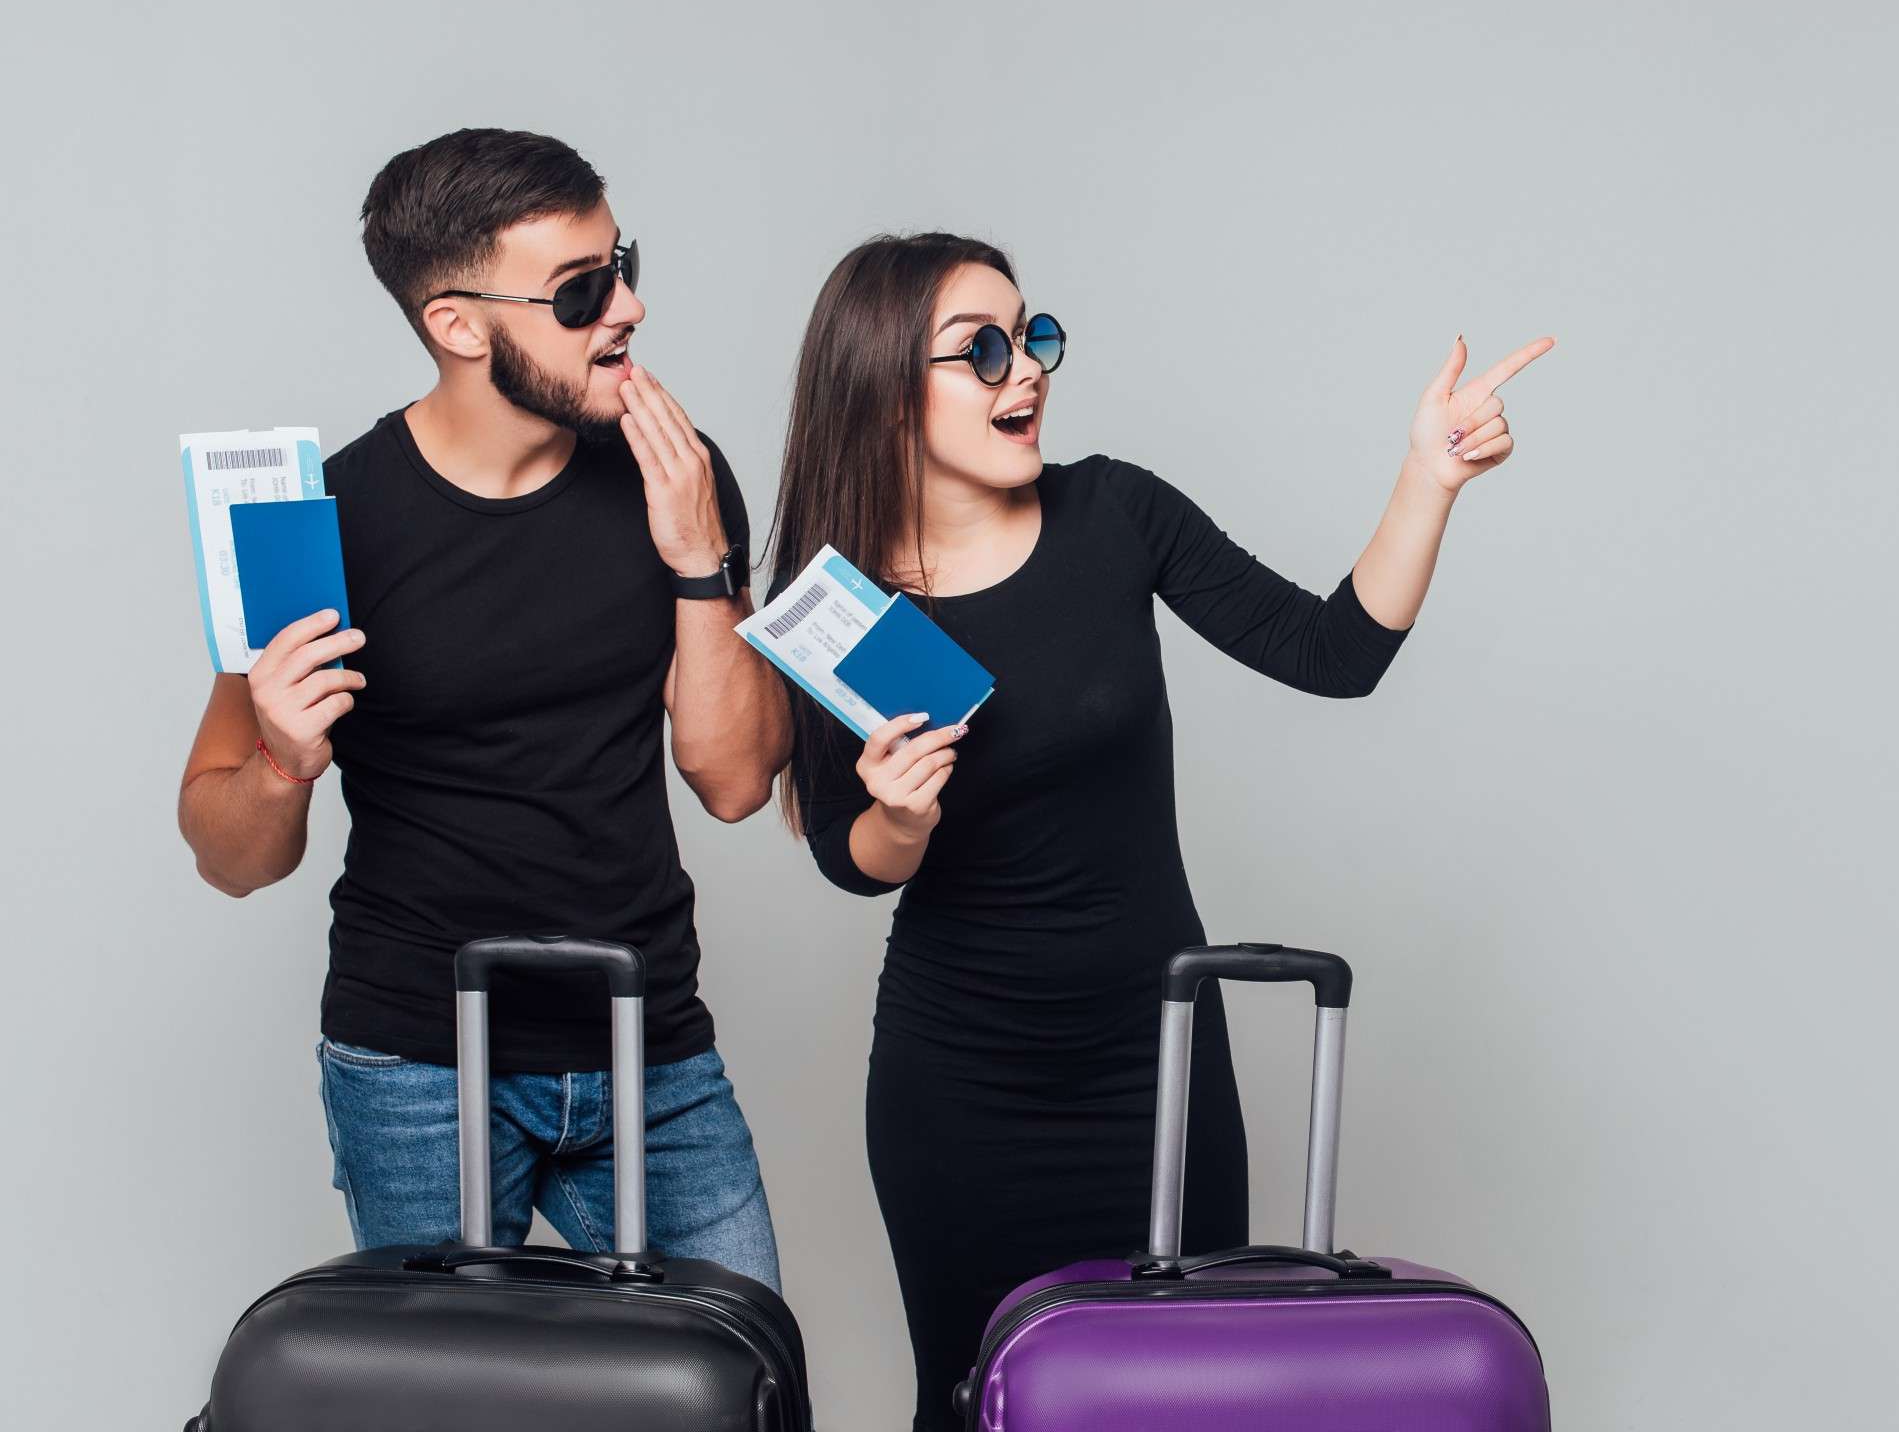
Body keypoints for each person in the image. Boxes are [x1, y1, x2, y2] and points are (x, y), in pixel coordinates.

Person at [762, 231, 1549, 1421]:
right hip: (960, 1081)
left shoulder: (1113, 511)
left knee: (1185, 1397)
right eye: (979, 350)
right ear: (881, 392)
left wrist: (1427, 480)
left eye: (1031, 336)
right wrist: (897, 817)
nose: (1023, 369)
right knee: (974, 1396)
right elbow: (846, 855)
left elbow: (1331, 654)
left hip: (1158, 1058)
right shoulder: (844, 603)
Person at [176, 128, 791, 1288]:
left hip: (647, 1041)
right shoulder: (322, 521)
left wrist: (700, 561)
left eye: (626, 264)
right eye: (583, 289)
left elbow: (735, 779)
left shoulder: (677, 472)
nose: (631, 309)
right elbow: (228, 855)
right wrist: (283, 763)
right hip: (418, 1064)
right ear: (456, 324)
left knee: (745, 1375)